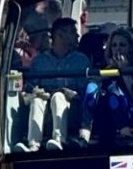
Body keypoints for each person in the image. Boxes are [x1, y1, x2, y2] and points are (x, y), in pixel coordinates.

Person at [20, 16, 90, 151]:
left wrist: (64, 93)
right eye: (73, 32)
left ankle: (59, 140)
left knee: (58, 97)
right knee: (37, 101)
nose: (77, 36)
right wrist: (35, 92)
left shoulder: (81, 61)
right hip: (46, 115)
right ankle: (33, 144)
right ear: (60, 35)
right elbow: (29, 88)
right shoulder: (40, 61)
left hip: (70, 113)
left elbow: (85, 93)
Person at [91, 27, 133, 146]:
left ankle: (126, 131)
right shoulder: (106, 68)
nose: (118, 49)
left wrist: (125, 71)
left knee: (114, 90)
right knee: (109, 90)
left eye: (122, 45)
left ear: (130, 48)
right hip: (111, 117)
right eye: (114, 45)